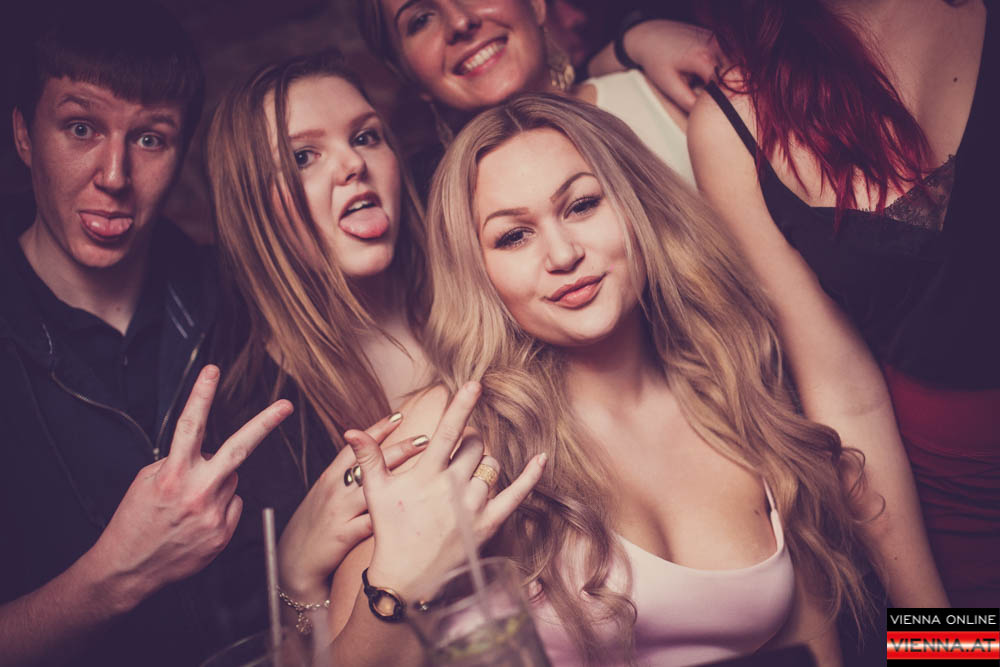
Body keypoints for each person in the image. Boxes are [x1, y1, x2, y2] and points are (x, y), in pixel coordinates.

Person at [330, 93, 876, 666]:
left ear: (638, 205)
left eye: (582, 205)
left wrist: (937, 647)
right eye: (513, 236)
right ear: (479, 272)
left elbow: (815, 642)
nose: (563, 254)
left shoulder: (734, 382)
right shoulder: (453, 433)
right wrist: (393, 586)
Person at [203, 50, 545, 653]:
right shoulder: (257, 420)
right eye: (303, 157)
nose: (352, 165)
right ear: (252, 205)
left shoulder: (493, 288)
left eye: (365, 137)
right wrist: (296, 573)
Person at [0, 1, 294, 664]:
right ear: (24, 136)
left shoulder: (238, 298)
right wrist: (114, 576)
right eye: (80, 128)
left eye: (150, 139)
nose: (114, 176)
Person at [688, 0, 993, 607]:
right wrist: (929, 626)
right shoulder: (729, 126)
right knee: (958, 648)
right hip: (948, 509)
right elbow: (845, 397)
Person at [354, 0, 719, 192]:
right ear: (409, 75)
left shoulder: (671, 94)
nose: (460, 22)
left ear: (536, 3)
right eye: (420, 20)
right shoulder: (444, 222)